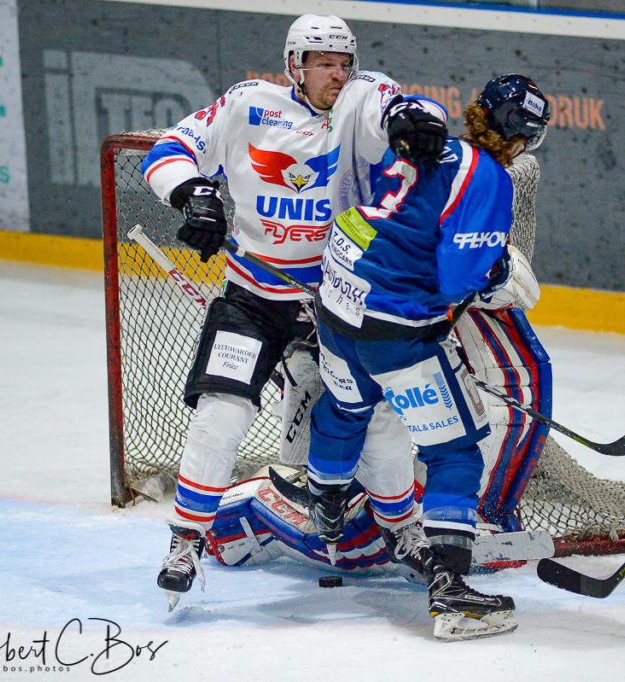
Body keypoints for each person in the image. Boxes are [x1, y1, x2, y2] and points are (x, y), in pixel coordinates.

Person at [140, 14, 449, 610]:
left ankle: (404, 531)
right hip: (254, 299)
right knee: (219, 416)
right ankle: (186, 540)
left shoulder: (362, 99)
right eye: (323, 62)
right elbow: (173, 149)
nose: (337, 72)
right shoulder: (249, 104)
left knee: (376, 422)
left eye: (343, 61)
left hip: (337, 300)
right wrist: (195, 195)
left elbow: (396, 107)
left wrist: (414, 119)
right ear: (295, 65)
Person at [302, 74, 549, 641]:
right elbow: (458, 277)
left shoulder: (434, 144)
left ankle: (328, 506)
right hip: (395, 328)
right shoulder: (488, 178)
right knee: (456, 452)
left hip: (339, 304)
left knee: (346, 408)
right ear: (523, 139)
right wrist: (497, 273)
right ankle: (452, 591)